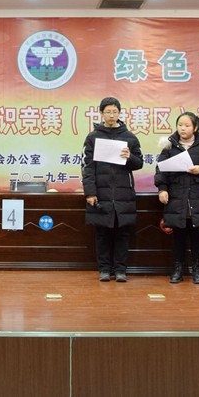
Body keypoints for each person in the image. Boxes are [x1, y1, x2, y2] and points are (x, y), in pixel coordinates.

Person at [82, 97, 144, 282]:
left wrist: (129, 157)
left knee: (122, 233)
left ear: (119, 113)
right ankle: (104, 269)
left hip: (123, 194)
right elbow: (87, 167)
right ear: (101, 113)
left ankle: (120, 270)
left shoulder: (130, 137)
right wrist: (90, 192)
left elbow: (139, 163)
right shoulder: (93, 137)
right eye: (108, 112)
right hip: (101, 193)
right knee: (102, 233)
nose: (111, 115)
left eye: (114, 112)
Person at [155, 112, 199, 284]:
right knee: (178, 235)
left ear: (195, 127)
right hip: (177, 195)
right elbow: (160, 170)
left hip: (197, 195)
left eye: (187, 125)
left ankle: (197, 269)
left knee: (197, 235)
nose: (182, 128)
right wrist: (162, 189)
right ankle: (178, 269)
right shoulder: (169, 146)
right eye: (180, 125)